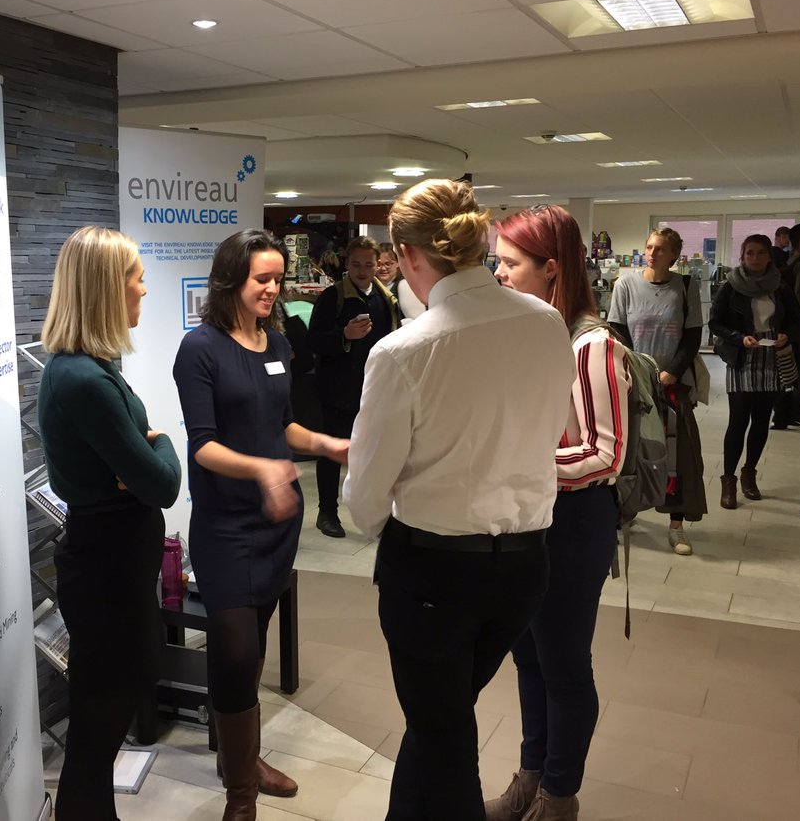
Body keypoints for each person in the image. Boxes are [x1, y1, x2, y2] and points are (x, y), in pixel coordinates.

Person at [343, 181, 575, 821]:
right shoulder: (547, 322)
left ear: (407, 256)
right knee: (437, 723)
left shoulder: (403, 350)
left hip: (433, 577)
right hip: (525, 569)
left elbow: (363, 506)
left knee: (443, 739)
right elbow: (548, 429)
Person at [172, 229, 350, 820]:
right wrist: (265, 471)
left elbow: (285, 426)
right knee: (234, 650)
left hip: (275, 530)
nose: (274, 289)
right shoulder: (199, 350)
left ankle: (239, 758)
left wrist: (323, 443)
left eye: (277, 278)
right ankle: (240, 796)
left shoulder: (277, 343)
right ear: (231, 281)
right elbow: (203, 447)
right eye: (262, 280)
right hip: (226, 528)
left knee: (254, 651)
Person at [486, 205, 631, 821]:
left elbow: (606, 454)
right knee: (527, 654)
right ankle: (531, 774)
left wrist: (519, 463)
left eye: (511, 263)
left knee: (565, 664)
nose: (499, 273)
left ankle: (558, 794)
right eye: (497, 261)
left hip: (572, 524)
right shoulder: (535, 332)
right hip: (531, 519)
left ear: (552, 269)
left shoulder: (593, 344)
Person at [36, 226, 182, 821]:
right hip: (108, 570)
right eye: (137, 277)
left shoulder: (89, 368)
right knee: (100, 722)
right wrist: (164, 442)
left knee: (109, 710)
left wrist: (146, 456)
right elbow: (163, 483)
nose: (145, 290)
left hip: (113, 564)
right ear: (105, 287)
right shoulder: (86, 380)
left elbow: (143, 474)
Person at [607, 227, 707, 556]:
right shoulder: (626, 285)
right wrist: (639, 370)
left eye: (661, 248)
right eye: (649, 247)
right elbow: (618, 330)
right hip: (637, 380)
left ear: (675, 254)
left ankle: (676, 525)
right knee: (632, 447)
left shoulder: (685, 287)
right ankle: (626, 510)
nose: (652, 253)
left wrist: (672, 372)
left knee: (682, 452)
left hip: (673, 383)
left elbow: (692, 336)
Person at [307, 235, 400, 537]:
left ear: (378, 265)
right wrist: (344, 335)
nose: (362, 270)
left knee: (375, 454)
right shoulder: (332, 297)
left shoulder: (386, 299)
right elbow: (314, 342)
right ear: (347, 264)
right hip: (337, 391)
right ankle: (327, 513)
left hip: (374, 390)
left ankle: (373, 512)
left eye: (369, 264)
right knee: (332, 453)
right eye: (356, 264)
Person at [709, 234, 800, 508]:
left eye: (760, 253)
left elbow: (797, 320)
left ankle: (749, 474)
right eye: (749, 253)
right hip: (742, 357)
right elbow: (715, 323)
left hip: (772, 356)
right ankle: (728, 480)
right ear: (742, 256)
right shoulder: (732, 286)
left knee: (762, 420)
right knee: (738, 421)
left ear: (769, 256)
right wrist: (739, 338)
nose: (755, 258)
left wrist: (787, 334)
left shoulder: (780, 286)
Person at [773, 222, 800, 429]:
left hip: (788, 325)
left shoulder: (790, 262)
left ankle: (783, 414)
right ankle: (795, 413)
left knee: (788, 369)